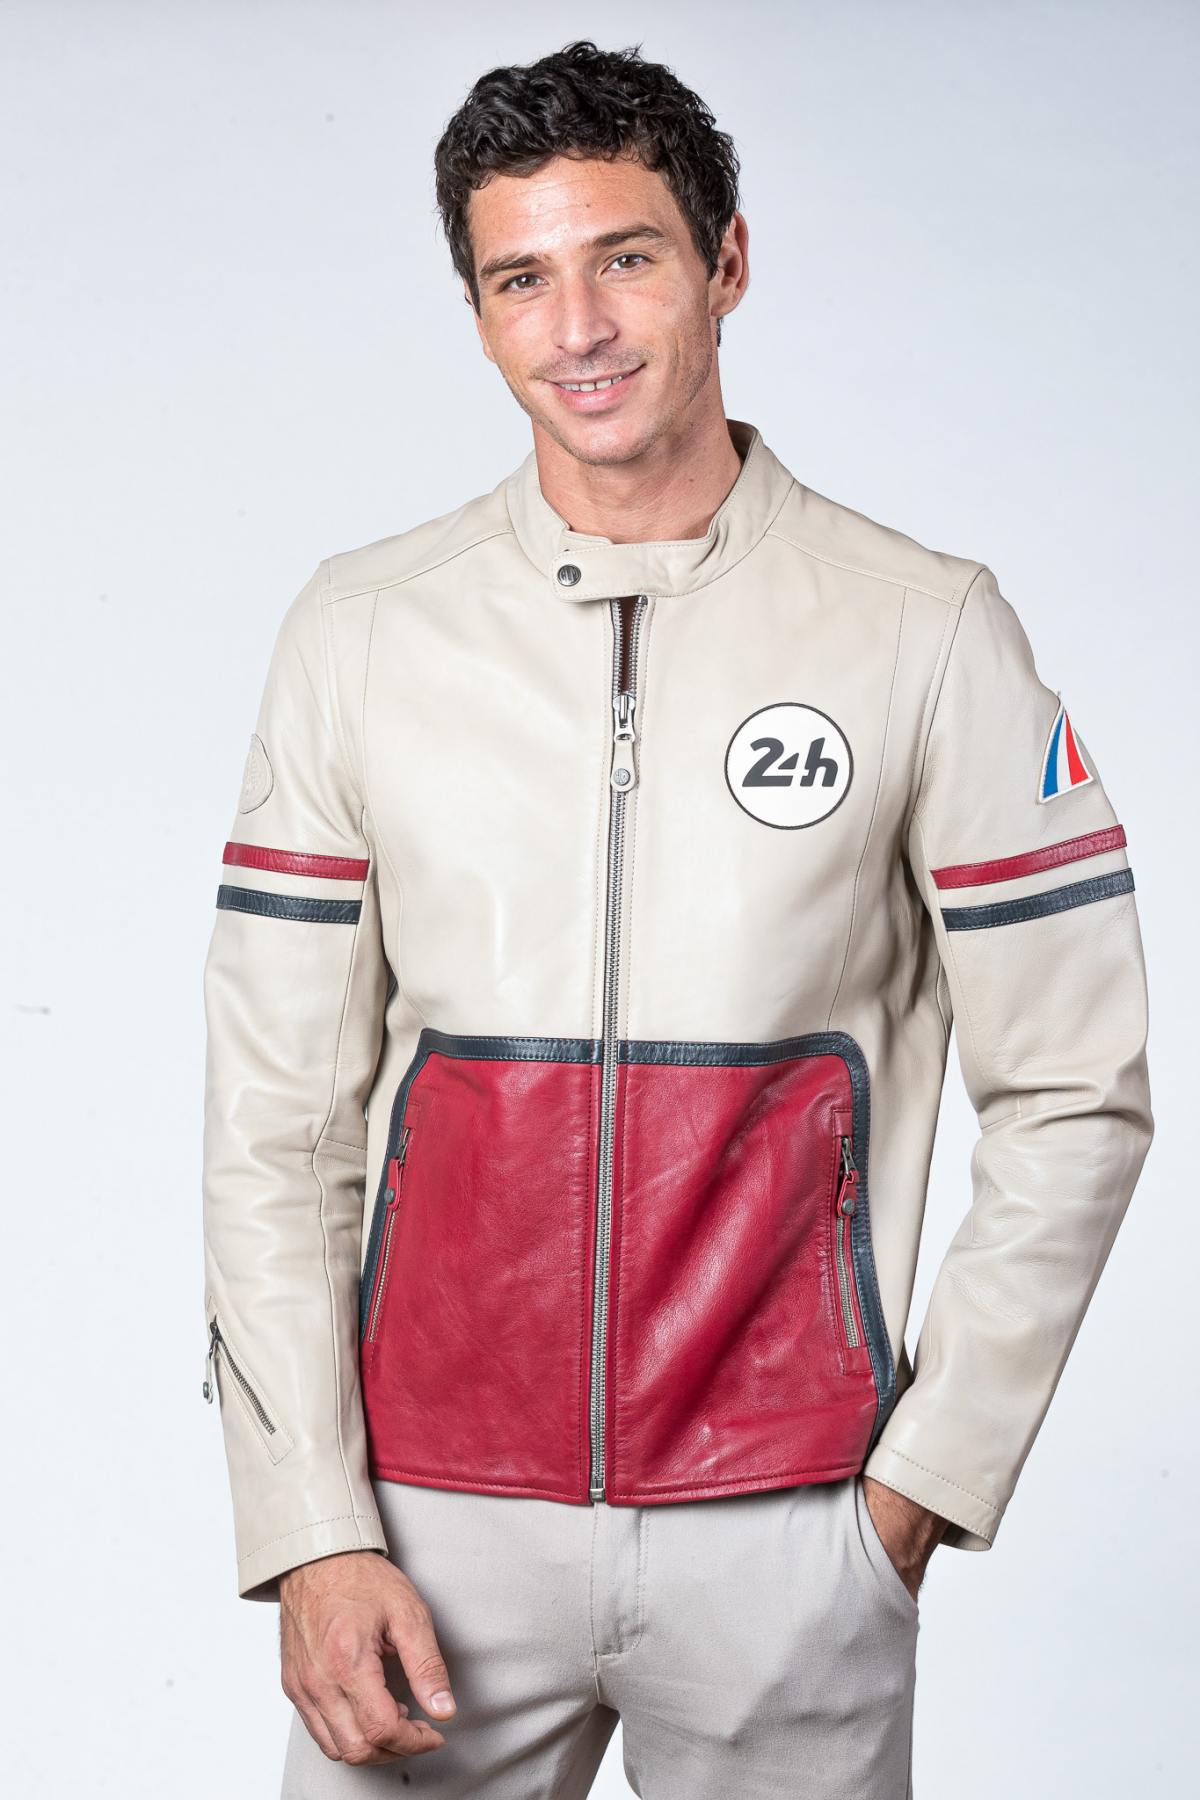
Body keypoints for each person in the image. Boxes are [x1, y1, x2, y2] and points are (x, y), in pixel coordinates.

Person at [200, 38, 1154, 1799]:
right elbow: (278, 1120)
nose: (578, 327)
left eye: (625, 257)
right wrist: (308, 1523)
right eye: (520, 278)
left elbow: (1078, 1086)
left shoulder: (926, 629)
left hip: (790, 1532)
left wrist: (921, 1486)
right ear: (476, 312)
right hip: (427, 1532)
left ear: (726, 262)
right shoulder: (360, 633)